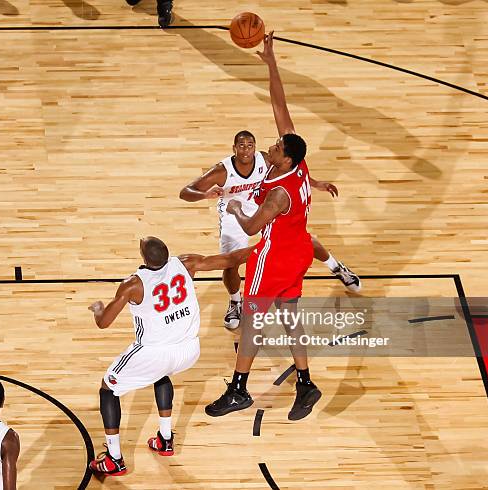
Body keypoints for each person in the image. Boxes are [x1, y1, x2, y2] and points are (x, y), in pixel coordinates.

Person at [205, 31, 336, 421]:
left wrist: (231, 206)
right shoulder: (298, 162)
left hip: (275, 255)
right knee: (290, 316)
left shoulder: (278, 194)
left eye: (277, 146)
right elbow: (280, 104)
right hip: (299, 254)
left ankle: (239, 390)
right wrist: (271, 62)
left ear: (283, 158)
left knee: (251, 320)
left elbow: (249, 227)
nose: (272, 144)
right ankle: (306, 382)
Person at [88, 236, 252, 476]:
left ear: (144, 257)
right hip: (188, 350)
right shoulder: (186, 264)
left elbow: (103, 323)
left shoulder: (133, 284)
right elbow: (231, 259)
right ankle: (165, 440)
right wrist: (268, 245)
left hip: (155, 351)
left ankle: (114, 458)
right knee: (161, 374)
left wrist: (98, 309)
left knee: (108, 388)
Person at [180, 131, 361, 329]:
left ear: (255, 147)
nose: (246, 149)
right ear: (234, 148)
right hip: (233, 216)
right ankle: (235, 301)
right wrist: (205, 194)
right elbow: (186, 192)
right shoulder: (222, 171)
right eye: (241, 145)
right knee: (231, 262)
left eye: (250, 145)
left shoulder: (266, 160)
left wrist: (316, 184)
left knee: (303, 238)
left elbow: (290, 172)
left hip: (261, 208)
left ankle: (336, 267)